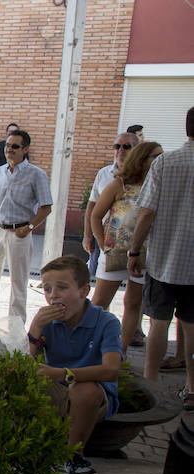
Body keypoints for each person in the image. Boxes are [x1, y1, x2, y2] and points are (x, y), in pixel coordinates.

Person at [28, 256, 122, 474]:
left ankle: (74, 455)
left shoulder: (106, 322)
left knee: (84, 390)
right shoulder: (48, 320)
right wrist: (36, 328)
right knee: (17, 376)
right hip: (57, 388)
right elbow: (33, 360)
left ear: (84, 291)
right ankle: (30, 443)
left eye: (62, 287)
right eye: (48, 289)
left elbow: (110, 370)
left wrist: (63, 374)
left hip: (92, 396)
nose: (53, 295)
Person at [128, 106, 194, 411]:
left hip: (165, 260)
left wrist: (135, 250)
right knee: (191, 325)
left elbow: (147, 212)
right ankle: (192, 387)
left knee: (158, 323)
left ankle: (150, 383)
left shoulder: (166, 162)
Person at [0, 129, 52, 332]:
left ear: (25, 149)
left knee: (18, 281)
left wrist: (30, 227)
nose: (9, 150)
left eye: (15, 146)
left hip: (19, 234)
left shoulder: (36, 174)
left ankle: (15, 326)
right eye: (7, 146)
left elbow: (46, 206)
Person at [90, 141, 163, 354]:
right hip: (116, 252)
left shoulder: (159, 184)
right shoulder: (119, 184)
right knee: (100, 302)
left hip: (145, 254)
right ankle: (91, 347)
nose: (160, 160)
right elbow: (95, 214)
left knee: (133, 303)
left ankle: (118, 352)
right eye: (155, 157)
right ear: (142, 159)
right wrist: (102, 244)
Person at [83, 132, 139, 276]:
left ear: (136, 150)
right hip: (108, 242)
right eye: (117, 146)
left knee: (133, 297)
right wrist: (89, 236)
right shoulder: (104, 174)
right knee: (99, 292)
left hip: (136, 245)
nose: (121, 150)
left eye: (126, 146)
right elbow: (92, 206)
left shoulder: (146, 177)